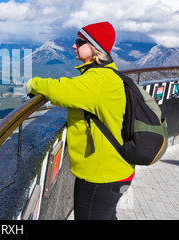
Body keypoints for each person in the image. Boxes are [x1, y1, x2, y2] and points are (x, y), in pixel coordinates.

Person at [26, 21, 134, 220]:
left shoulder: (98, 80)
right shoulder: (108, 75)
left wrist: (32, 84)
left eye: (79, 41)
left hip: (101, 176)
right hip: (114, 171)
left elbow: (60, 90)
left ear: (94, 48)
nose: (74, 45)